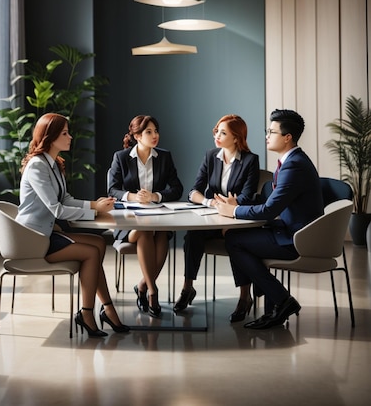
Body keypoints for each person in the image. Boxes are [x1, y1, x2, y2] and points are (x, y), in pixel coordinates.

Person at [16, 113, 129, 338]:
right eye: (65, 133)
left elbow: (65, 199)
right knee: (90, 253)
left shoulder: (54, 164)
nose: (70, 136)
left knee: (98, 243)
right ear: (50, 137)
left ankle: (107, 309)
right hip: (32, 239)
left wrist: (95, 203)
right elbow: (56, 209)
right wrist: (96, 210)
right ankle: (87, 313)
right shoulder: (38, 166)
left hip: (45, 233)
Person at [215, 108, 324, 329]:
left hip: (297, 238)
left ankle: (282, 300)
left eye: (271, 132)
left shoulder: (294, 165)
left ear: (287, 137)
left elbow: (268, 210)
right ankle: (269, 299)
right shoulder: (292, 160)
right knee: (235, 235)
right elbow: (271, 200)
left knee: (234, 241)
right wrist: (238, 203)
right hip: (288, 229)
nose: (266, 136)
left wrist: (232, 212)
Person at [174, 114, 260, 321]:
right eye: (216, 131)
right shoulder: (211, 156)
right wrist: (210, 202)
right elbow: (193, 192)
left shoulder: (250, 161)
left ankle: (244, 297)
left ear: (237, 138)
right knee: (192, 236)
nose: (217, 136)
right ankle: (188, 288)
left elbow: (247, 197)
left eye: (223, 132)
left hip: (236, 220)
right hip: (213, 216)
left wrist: (232, 204)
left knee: (234, 240)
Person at [107, 115, 183, 317]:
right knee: (145, 231)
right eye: (149, 132)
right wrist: (132, 196)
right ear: (137, 136)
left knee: (161, 233)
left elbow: (177, 188)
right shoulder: (121, 157)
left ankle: (143, 285)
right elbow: (111, 190)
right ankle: (152, 291)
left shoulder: (164, 157)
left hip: (156, 217)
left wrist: (155, 196)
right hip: (129, 222)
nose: (155, 135)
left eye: (156, 131)